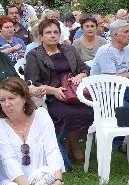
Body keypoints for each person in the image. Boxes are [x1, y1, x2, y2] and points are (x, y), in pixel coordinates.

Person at [24, 17, 93, 163]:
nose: (53, 35)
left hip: (75, 91)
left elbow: (85, 68)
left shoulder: (69, 49)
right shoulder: (34, 55)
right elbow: (32, 83)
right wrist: (53, 91)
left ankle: (70, 142)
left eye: (56, 32)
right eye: (48, 32)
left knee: (89, 111)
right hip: (52, 94)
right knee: (69, 114)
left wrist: (79, 76)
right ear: (41, 36)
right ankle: (75, 147)